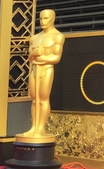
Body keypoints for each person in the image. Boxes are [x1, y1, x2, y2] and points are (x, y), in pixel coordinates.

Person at [19, 9, 65, 138]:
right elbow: (29, 58)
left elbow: (56, 58)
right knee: (34, 99)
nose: (43, 21)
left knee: (43, 98)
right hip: (34, 69)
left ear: (52, 19)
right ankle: (34, 127)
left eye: (46, 18)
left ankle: (40, 128)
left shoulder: (58, 36)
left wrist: (39, 56)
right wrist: (35, 54)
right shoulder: (35, 37)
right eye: (41, 18)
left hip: (46, 69)